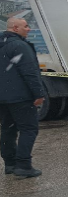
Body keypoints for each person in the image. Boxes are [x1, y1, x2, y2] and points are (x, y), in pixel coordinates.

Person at [0, 17, 45, 179]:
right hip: (20, 97)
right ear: (15, 28)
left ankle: (10, 164)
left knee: (7, 129)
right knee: (29, 129)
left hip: (3, 98)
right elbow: (30, 73)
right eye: (26, 26)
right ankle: (24, 166)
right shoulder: (20, 46)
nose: (29, 29)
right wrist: (39, 94)